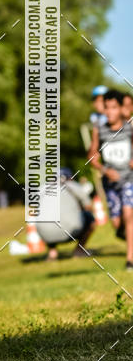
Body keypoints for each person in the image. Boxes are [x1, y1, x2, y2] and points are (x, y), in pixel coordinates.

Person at [89, 88, 133, 269]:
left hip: (129, 179)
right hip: (111, 183)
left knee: (129, 214)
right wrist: (104, 170)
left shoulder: (129, 127)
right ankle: (125, 234)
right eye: (106, 108)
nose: (109, 112)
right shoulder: (99, 129)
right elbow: (92, 156)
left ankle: (130, 259)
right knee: (117, 223)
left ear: (121, 108)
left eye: (114, 108)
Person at [36, 168, 95, 260]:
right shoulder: (72, 185)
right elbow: (89, 207)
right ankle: (79, 250)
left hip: (44, 233)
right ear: (69, 178)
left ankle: (52, 253)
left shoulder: (42, 188)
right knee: (89, 217)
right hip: (70, 230)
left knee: (46, 221)